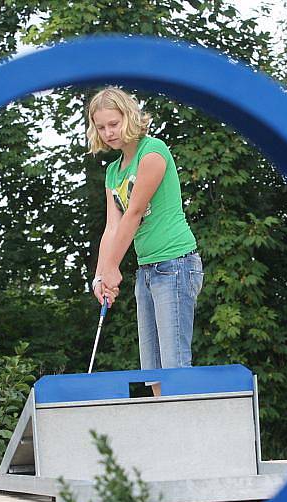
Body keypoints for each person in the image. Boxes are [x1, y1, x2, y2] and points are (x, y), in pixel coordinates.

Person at [87, 87, 204, 377]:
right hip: (147, 270)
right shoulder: (113, 171)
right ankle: (161, 421)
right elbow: (112, 227)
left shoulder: (153, 151)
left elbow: (134, 214)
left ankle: (182, 422)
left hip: (176, 264)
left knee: (174, 365)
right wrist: (102, 276)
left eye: (113, 124)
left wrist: (114, 266)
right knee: (150, 369)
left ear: (129, 117)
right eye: (101, 127)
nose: (108, 133)